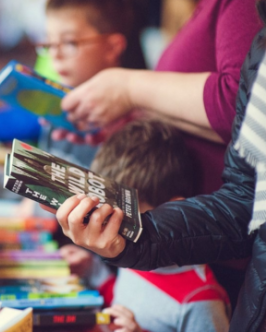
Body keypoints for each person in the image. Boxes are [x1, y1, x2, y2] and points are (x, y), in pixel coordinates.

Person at [41, 2, 266, 329]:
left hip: (215, 248)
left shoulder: (200, 300)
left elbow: (238, 116)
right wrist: (121, 250)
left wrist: (129, 89)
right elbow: (125, 297)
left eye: (70, 42)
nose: (55, 55)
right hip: (189, 234)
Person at [0, 0, 145, 199]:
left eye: (70, 42)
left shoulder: (131, 127)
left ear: (112, 47)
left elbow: (96, 197)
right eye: (48, 43)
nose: (55, 54)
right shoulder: (60, 107)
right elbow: (41, 181)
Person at [60, 119, 230, 332]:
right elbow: (126, 303)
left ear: (174, 212)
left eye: (122, 220)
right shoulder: (130, 253)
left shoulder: (200, 301)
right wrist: (94, 272)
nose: (110, 230)